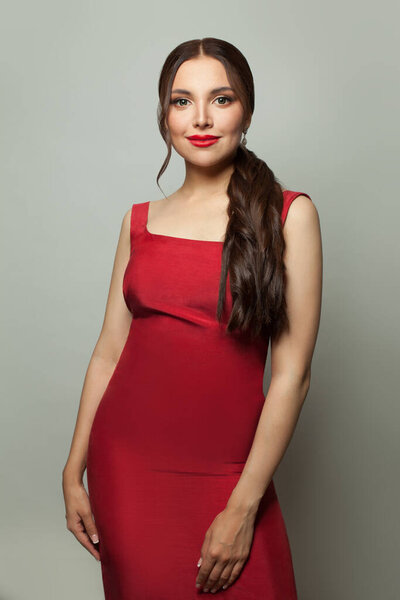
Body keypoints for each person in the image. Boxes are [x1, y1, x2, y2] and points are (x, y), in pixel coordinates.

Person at [62, 37, 322, 599]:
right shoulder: (139, 223)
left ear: (246, 109)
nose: (200, 118)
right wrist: (73, 469)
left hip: (234, 474)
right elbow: (109, 351)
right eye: (182, 101)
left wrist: (243, 507)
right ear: (164, 114)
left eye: (220, 99)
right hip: (128, 470)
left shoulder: (288, 214)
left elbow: (292, 376)